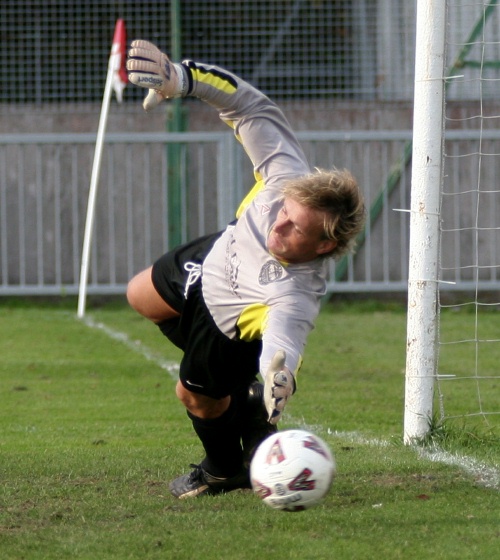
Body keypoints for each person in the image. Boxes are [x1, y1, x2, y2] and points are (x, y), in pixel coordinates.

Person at [125, 40, 366, 499]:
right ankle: (241, 396)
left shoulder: (295, 290)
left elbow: (285, 341)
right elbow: (248, 104)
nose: (279, 221)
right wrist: (182, 78)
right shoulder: (285, 174)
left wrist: (280, 375)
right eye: (284, 210)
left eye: (295, 226)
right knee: (139, 294)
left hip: (226, 323)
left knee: (193, 394)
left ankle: (222, 467)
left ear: (325, 244)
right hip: (214, 257)